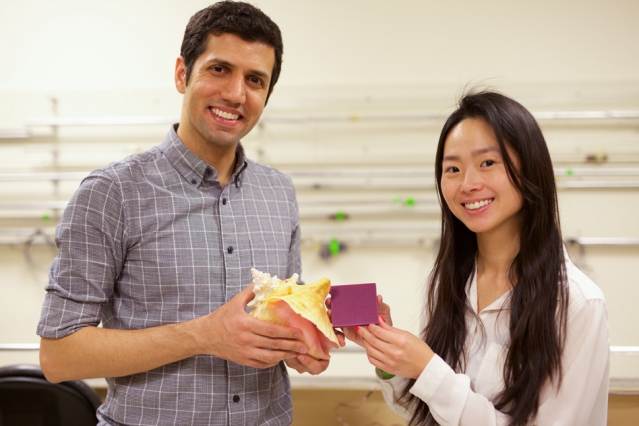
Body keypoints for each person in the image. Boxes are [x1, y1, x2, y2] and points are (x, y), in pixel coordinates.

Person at [37, 2, 330, 425]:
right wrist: (204, 336)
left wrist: (303, 344)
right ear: (182, 74)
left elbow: (284, 314)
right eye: (218, 69)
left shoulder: (278, 192)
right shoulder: (113, 193)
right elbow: (58, 356)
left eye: (255, 80)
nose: (235, 94)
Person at [344, 91, 609, 425]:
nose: (468, 184)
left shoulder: (578, 303)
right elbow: (431, 414)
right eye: (452, 168)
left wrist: (428, 369)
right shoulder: (450, 281)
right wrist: (389, 355)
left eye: (487, 163)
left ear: (530, 167)